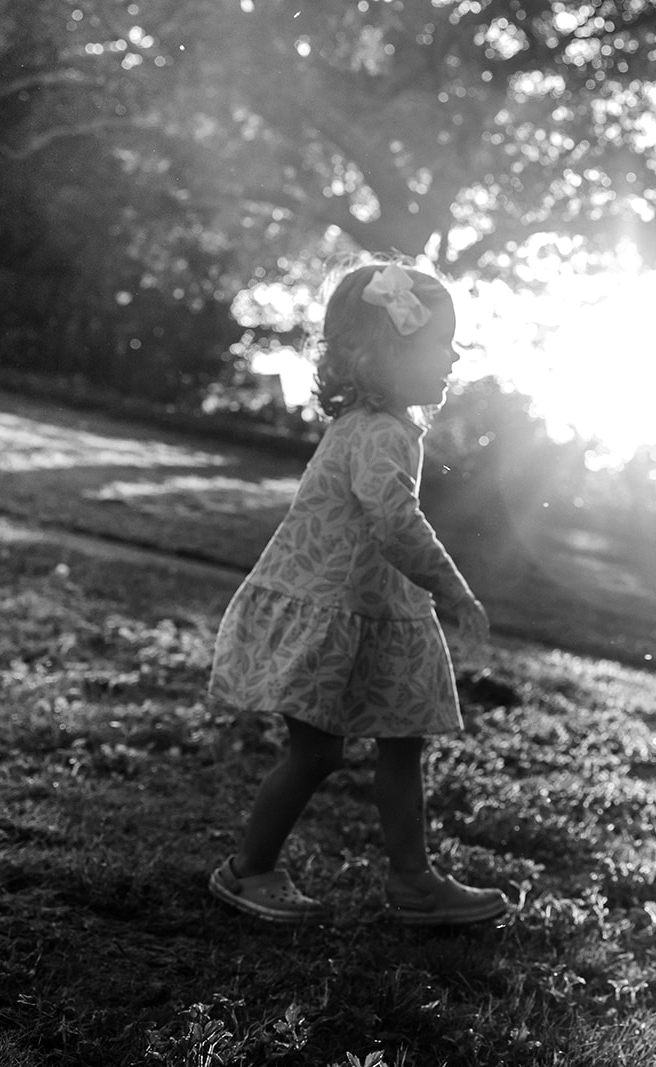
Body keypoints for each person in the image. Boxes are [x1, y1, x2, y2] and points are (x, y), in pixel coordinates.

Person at [206, 261, 506, 927]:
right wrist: (453, 590)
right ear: (388, 353)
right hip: (331, 608)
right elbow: (394, 519)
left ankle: (413, 879)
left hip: (377, 610)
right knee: (317, 751)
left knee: (404, 740)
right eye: (440, 342)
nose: (454, 355)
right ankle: (247, 868)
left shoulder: (389, 424)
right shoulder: (379, 430)